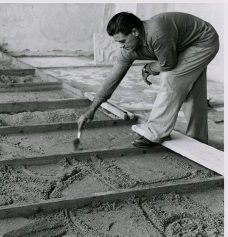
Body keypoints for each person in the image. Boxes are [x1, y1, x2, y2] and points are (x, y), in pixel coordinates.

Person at [77, 11, 219, 148]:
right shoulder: (128, 50)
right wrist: (92, 109)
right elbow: (112, 79)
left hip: (203, 41)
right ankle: (198, 139)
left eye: (123, 41)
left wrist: (149, 68)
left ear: (135, 32)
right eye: (118, 42)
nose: (121, 46)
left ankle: (155, 132)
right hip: (183, 45)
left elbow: (169, 64)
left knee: (172, 78)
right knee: (192, 91)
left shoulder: (156, 34)